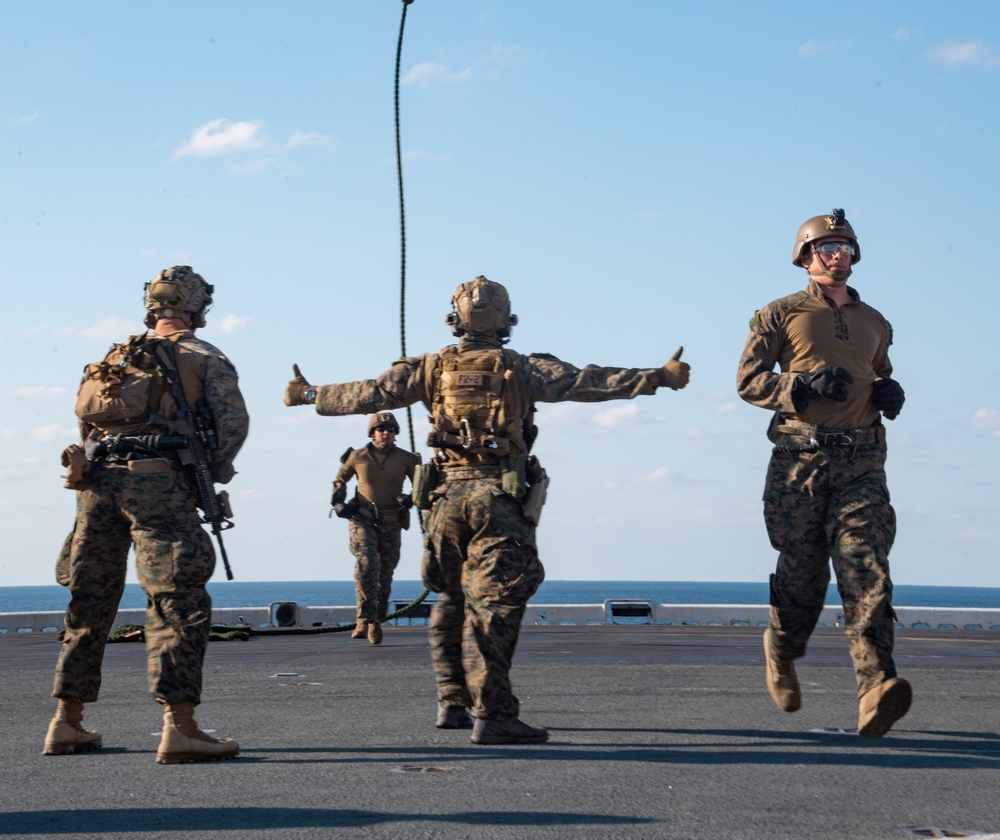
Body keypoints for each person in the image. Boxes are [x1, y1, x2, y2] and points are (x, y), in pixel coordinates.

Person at [285, 275, 690, 745]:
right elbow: (589, 382)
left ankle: (452, 702)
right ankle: (494, 714)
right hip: (497, 498)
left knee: (451, 601)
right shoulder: (524, 367)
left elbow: (369, 394)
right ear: (507, 321)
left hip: (444, 504)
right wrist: (658, 377)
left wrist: (309, 393)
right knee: (494, 608)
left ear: (454, 320)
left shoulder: (429, 368)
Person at [44, 266, 249, 764]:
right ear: (195, 306)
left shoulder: (112, 357)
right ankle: (180, 728)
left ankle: (66, 722)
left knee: (89, 600)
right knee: (176, 599)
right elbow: (231, 427)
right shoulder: (203, 356)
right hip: (159, 482)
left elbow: (86, 424)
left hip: (96, 486)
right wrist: (209, 471)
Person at [736, 210, 911, 738]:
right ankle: (782, 649)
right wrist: (803, 385)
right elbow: (748, 382)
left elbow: (878, 373)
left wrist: (890, 393)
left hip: (862, 462)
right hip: (800, 463)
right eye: (826, 247)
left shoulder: (875, 321)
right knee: (803, 578)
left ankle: (875, 688)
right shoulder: (779, 313)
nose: (837, 255)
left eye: (845, 247)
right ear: (806, 256)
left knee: (865, 567)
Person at [331, 412, 420, 645]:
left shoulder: (406, 459)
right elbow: (340, 480)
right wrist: (338, 501)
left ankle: (376, 621)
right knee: (367, 563)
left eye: (390, 430)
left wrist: (412, 498)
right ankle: (363, 618)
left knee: (385, 574)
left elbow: (421, 484)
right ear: (372, 433)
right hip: (363, 518)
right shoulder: (357, 456)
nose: (386, 433)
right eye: (381, 429)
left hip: (392, 520)